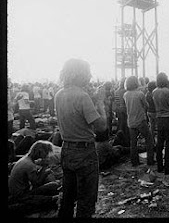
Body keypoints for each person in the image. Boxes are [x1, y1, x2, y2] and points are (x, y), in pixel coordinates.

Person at [55, 58, 108, 218]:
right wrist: (100, 103)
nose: (90, 76)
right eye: (88, 72)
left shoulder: (59, 94)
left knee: (68, 198)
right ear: (80, 74)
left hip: (66, 149)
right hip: (84, 152)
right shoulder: (82, 96)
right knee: (86, 200)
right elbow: (101, 126)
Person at [8, 140, 60, 216]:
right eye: (46, 152)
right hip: (21, 194)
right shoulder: (30, 165)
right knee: (52, 196)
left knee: (53, 185)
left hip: (18, 190)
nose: (47, 155)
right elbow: (37, 183)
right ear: (41, 152)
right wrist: (44, 168)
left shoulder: (26, 159)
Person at [123, 76, 155, 166]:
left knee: (133, 143)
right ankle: (150, 160)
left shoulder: (125, 94)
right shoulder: (140, 94)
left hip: (131, 121)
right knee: (149, 139)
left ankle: (134, 161)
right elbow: (146, 105)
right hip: (140, 120)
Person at [152, 72, 169, 175]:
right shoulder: (168, 92)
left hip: (159, 118)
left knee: (159, 144)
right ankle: (168, 167)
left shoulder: (154, 91)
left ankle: (159, 166)